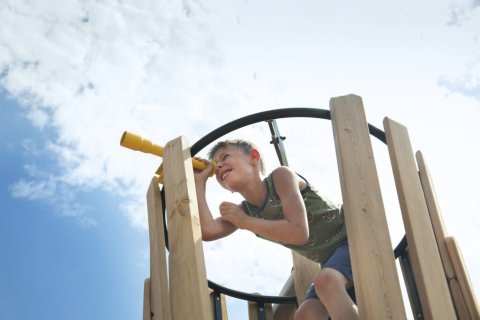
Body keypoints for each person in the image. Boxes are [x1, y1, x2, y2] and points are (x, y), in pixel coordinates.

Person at [194, 139, 358, 320]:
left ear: (254, 157)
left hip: (353, 238)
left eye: (225, 157)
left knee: (326, 281)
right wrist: (199, 182)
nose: (219, 166)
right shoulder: (244, 212)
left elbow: (299, 232)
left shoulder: (281, 177)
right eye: (216, 166)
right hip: (331, 260)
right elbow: (207, 231)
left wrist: (245, 222)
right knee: (305, 315)